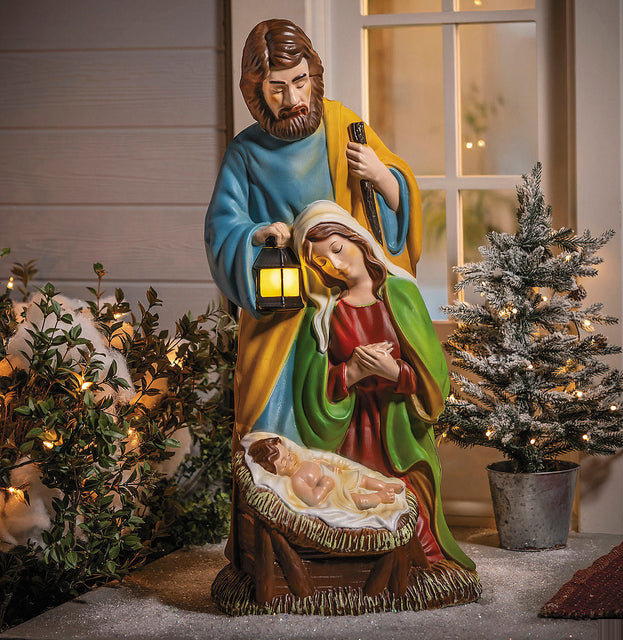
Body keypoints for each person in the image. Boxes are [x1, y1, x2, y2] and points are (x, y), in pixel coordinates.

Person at [203, 19, 424, 451]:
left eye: (300, 81)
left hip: (349, 306)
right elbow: (221, 229)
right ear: (256, 91)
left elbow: (396, 208)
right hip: (284, 312)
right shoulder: (244, 153)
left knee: (363, 433)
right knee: (271, 438)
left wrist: (381, 176)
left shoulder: (343, 125)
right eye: (277, 88)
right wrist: (257, 235)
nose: (293, 99)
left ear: (314, 76)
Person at [290, 200, 475, 571]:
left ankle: (421, 568)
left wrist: (396, 372)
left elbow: (434, 375)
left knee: (407, 507)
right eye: (322, 262)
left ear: (357, 239)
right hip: (352, 430)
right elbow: (311, 387)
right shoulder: (324, 313)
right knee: (354, 504)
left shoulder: (401, 293)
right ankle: (365, 571)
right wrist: (351, 373)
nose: (335, 265)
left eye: (337, 249)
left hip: (398, 424)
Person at [247, 435, 404, 510]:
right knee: (359, 500)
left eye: (288, 454)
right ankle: (380, 497)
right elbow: (313, 499)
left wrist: (330, 467)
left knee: (363, 479)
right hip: (336, 494)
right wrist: (324, 487)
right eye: (284, 462)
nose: (290, 459)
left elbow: (319, 464)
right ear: (276, 472)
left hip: (341, 478)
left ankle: (385, 486)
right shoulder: (297, 482)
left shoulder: (303, 463)